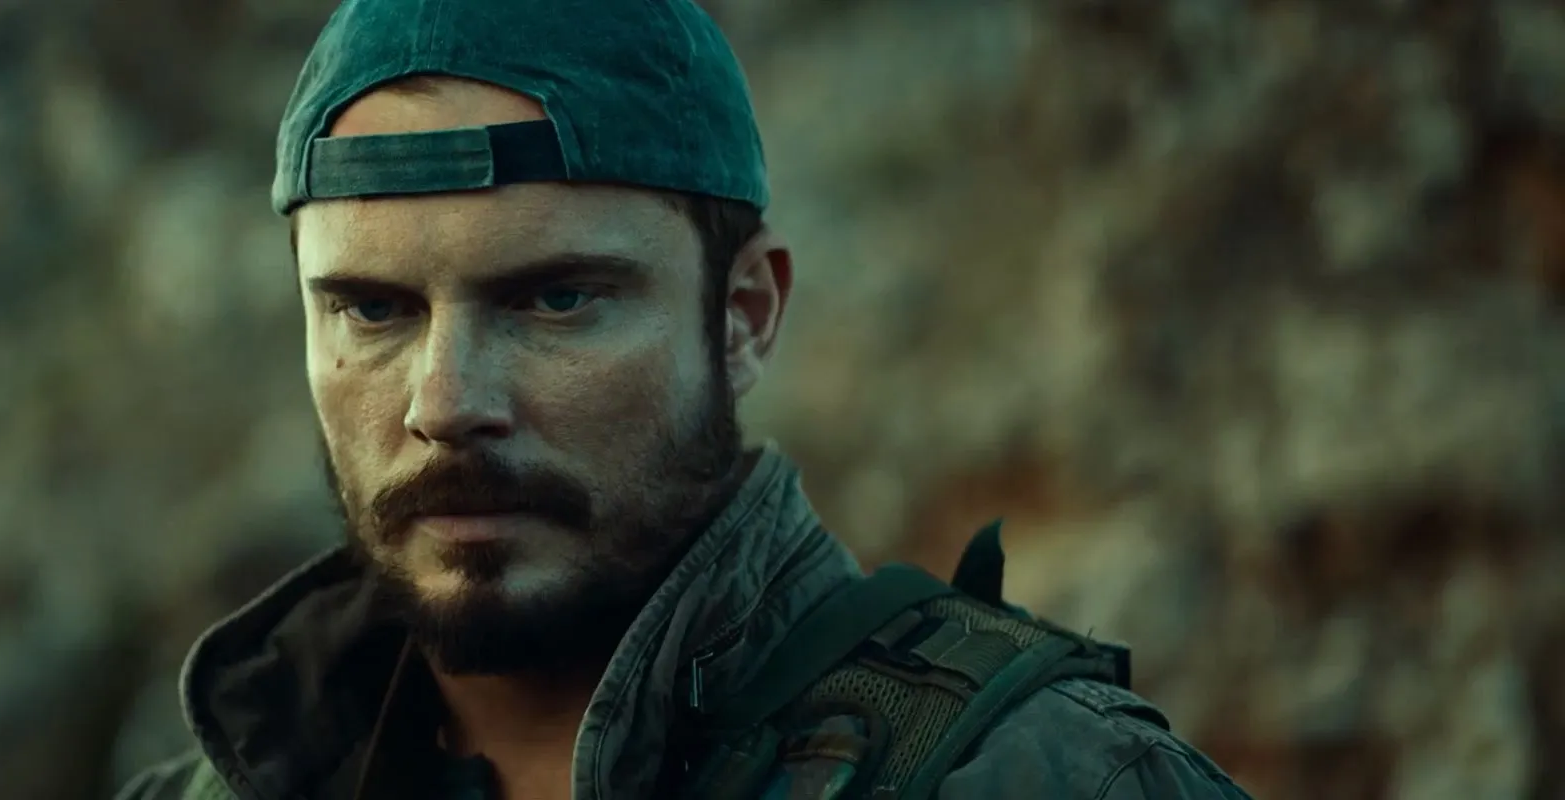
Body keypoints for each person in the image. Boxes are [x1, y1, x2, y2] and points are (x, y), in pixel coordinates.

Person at [116, 0, 1254, 797]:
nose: (447, 403)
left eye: (557, 298)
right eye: (372, 310)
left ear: (743, 315)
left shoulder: (1046, 778)